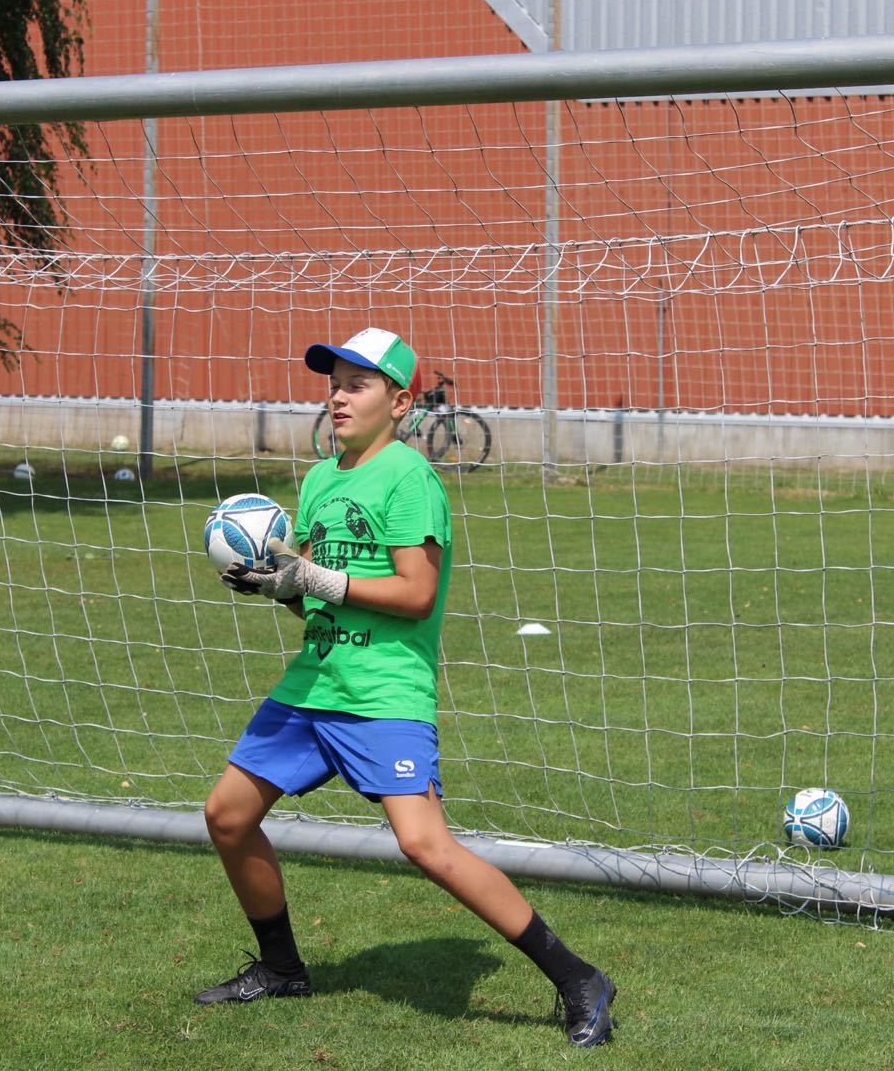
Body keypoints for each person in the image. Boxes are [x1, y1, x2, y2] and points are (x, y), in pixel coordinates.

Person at [201, 327, 616, 1047]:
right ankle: (281, 968)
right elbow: (321, 598)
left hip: (382, 693)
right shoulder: (323, 477)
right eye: (333, 382)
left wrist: (316, 577)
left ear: (400, 402)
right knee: (228, 816)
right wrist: (281, 588)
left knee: (426, 845)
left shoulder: (409, 479)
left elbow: (416, 593)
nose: (337, 396)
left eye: (356, 384)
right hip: (314, 683)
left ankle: (579, 978)